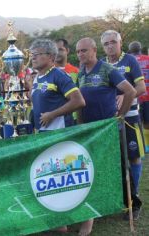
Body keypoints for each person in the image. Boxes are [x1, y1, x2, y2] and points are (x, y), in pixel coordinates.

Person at [76, 37, 137, 235]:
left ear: (94, 50)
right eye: (78, 52)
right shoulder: (81, 72)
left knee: (120, 167)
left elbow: (130, 91)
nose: (80, 54)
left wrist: (120, 116)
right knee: (93, 168)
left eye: (84, 50)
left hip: (109, 129)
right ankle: (101, 205)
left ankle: (132, 204)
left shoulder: (107, 69)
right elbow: (80, 101)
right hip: (89, 130)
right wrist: (79, 125)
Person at [101, 30, 145, 219]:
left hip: (130, 117)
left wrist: (124, 96)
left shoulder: (130, 61)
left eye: (113, 42)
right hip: (110, 120)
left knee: (133, 157)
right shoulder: (101, 64)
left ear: (120, 43)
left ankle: (134, 198)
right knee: (114, 160)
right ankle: (121, 197)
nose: (110, 46)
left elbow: (141, 88)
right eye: (106, 44)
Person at [29, 39, 85, 132]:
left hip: (59, 133)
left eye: (37, 54)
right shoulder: (37, 76)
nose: (33, 58)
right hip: (42, 133)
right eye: (32, 55)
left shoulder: (59, 75)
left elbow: (79, 101)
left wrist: (52, 115)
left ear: (51, 56)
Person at [128, 41, 149, 153]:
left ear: (130, 50)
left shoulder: (129, 60)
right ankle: (147, 145)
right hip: (147, 96)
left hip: (135, 97)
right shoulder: (147, 58)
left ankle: (140, 145)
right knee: (147, 122)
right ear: (140, 48)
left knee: (136, 123)